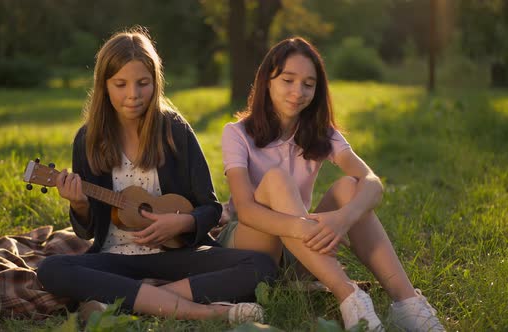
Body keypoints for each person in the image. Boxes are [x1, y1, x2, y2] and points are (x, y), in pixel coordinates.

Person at [37, 28, 277, 324]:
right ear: (104, 85)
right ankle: (206, 311)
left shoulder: (175, 131)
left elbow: (211, 208)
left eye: (143, 83)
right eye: (120, 84)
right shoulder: (87, 140)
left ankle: (137, 299)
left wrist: (182, 222)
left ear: (156, 82)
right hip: (115, 258)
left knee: (260, 265)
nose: (133, 95)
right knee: (51, 270)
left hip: (175, 258)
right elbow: (86, 233)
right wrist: (79, 205)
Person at [217, 37, 445, 331]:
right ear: (267, 81)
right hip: (249, 246)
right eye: (288, 80)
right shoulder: (236, 133)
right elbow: (246, 211)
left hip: (300, 252)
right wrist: (305, 227)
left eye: (308, 84)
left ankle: (407, 303)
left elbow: (372, 182)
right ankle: (349, 295)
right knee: (277, 179)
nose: (298, 92)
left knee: (351, 187)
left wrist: (341, 219)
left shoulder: (320, 132)